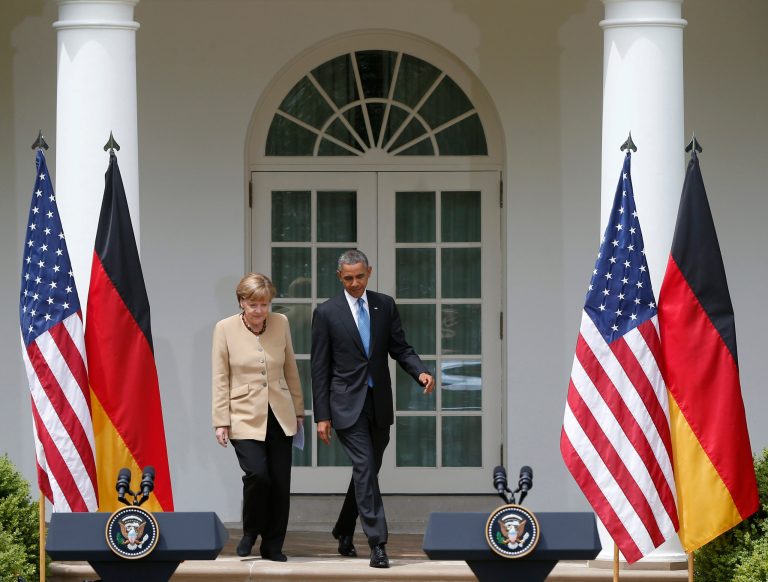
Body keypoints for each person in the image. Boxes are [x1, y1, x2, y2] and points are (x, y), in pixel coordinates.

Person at [311, 249, 435, 568]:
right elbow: (319, 368)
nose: (355, 283)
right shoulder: (326, 312)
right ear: (340, 277)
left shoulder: (384, 305)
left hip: (378, 402)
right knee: (365, 467)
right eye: (348, 278)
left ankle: (343, 529)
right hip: (344, 404)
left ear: (369, 272)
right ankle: (378, 542)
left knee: (367, 472)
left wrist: (419, 370)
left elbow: (400, 347)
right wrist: (322, 415)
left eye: (360, 276)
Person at [212, 273, 304, 561]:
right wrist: (221, 420)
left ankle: (273, 544)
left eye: (264, 304)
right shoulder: (224, 328)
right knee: (257, 476)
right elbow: (220, 376)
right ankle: (251, 531)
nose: (260, 311)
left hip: (280, 413)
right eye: (253, 305)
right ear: (242, 302)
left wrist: (299, 410)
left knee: (280, 482)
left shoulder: (281, 323)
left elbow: (290, 367)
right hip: (243, 414)